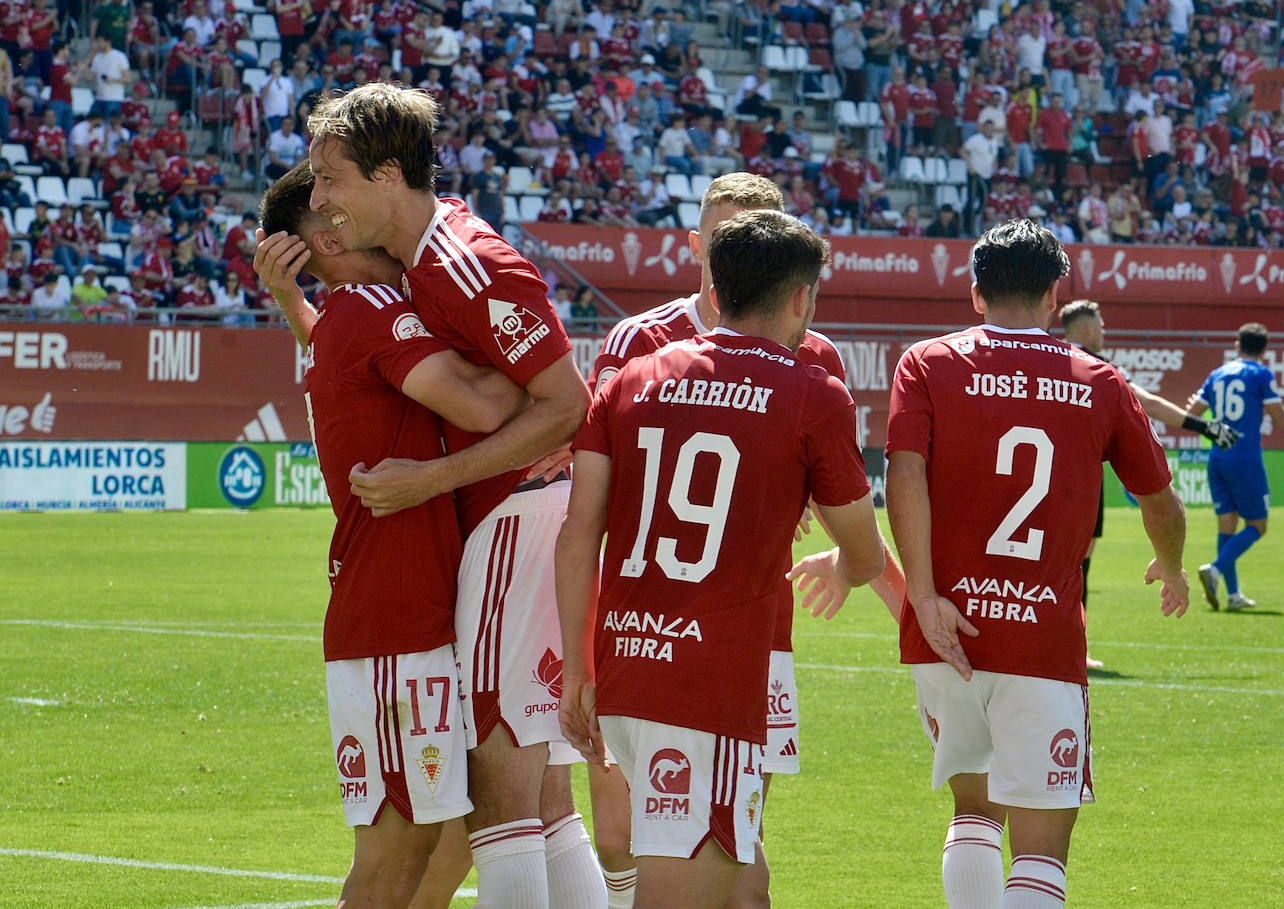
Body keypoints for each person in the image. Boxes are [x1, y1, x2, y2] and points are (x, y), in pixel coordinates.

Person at [287, 83, 599, 909]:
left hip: (512, 515)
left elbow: (567, 402)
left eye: (330, 179)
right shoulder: (420, 264)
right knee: (544, 795)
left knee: (498, 794)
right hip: (515, 514)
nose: (319, 198)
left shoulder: (467, 261)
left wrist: (431, 478)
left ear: (389, 175)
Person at [589, 172, 905, 907]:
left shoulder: (813, 359)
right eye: (728, 232)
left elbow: (844, 510)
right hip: (641, 621)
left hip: (751, 634)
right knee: (618, 834)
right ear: (699, 244)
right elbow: (595, 496)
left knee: (736, 845)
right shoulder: (638, 343)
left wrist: (903, 604)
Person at [885, 219, 1190, 909]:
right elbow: (1161, 503)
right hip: (1042, 637)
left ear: (974, 294)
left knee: (971, 812)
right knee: (1042, 846)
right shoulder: (1099, 380)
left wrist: (924, 596)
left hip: (944, 629)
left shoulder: (928, 361)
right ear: (1056, 295)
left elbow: (902, 474)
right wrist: (1169, 565)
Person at [255, 160, 526, 907]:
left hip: (398, 612)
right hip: (393, 621)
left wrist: (291, 297)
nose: (358, 209)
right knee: (398, 851)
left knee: (446, 836)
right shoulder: (372, 306)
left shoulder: (347, 316)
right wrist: (546, 364)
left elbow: (342, 350)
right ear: (329, 237)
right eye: (335, 202)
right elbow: (477, 405)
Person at [1059, 298, 1238, 652]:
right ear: (1088, 328)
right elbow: (1146, 403)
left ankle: (1057, 645)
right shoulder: (1094, 365)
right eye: (1102, 324)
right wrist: (1203, 426)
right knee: (1080, 564)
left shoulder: (1047, 357)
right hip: (1080, 479)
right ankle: (1071, 647)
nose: (1104, 331)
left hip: (1043, 475)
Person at [1187, 323, 1284, 611]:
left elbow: (1191, 415)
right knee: (1257, 525)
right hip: (1245, 456)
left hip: (1218, 456)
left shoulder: (1217, 374)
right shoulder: (1261, 374)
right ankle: (1215, 569)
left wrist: (1212, 426)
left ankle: (1233, 595)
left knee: (1226, 526)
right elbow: (1282, 418)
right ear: (1264, 350)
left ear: (1237, 344)